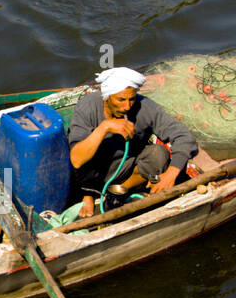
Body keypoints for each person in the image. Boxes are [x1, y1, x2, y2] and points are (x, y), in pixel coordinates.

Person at [68, 66, 204, 219]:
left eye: (131, 99)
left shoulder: (144, 107)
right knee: (84, 152)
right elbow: (76, 160)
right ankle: (88, 194)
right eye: (120, 100)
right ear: (106, 97)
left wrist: (172, 173)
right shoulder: (88, 106)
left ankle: (119, 190)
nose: (127, 107)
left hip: (124, 167)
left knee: (158, 153)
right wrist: (104, 128)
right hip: (92, 171)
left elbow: (183, 136)